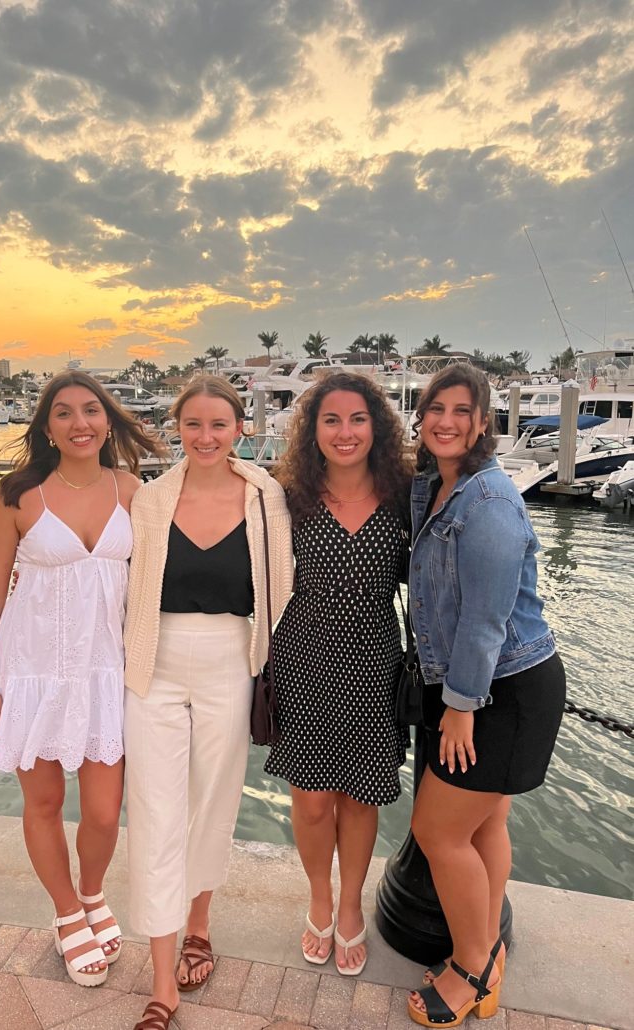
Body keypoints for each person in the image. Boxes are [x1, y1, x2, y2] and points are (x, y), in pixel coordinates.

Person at [0, 370, 163, 988]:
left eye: (91, 410)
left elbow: (156, 582)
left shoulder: (132, 490)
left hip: (106, 673)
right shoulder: (18, 494)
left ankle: (91, 892)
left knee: (104, 813)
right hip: (32, 671)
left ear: (108, 421)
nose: (80, 422)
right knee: (46, 803)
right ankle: (66, 913)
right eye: (64, 412)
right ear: (47, 428)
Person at [122, 376, 294, 1030]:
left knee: (213, 803)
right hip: (154, 662)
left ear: (239, 429)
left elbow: (281, 590)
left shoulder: (265, 497)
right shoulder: (150, 499)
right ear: (177, 428)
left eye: (218, 424)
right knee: (155, 810)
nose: (205, 436)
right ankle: (162, 982)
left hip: (230, 659)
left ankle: (199, 925)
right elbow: (122, 583)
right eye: (192, 424)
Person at [406, 364, 565, 1027]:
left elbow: (484, 620)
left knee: (437, 831)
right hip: (489, 684)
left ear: (481, 422)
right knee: (485, 823)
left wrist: (459, 708)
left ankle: (470, 969)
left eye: (460, 411)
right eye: (434, 408)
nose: (445, 421)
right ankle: (488, 951)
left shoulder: (489, 501)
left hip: (500, 688)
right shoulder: (438, 486)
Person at [264, 371, 413, 977]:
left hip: (374, 660)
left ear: (375, 426)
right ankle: (319, 900)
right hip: (304, 657)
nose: (344, 432)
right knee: (311, 799)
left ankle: (350, 904)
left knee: (359, 796)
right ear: (313, 430)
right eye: (331, 420)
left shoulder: (404, 493)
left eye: (357, 419)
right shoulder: (288, 496)